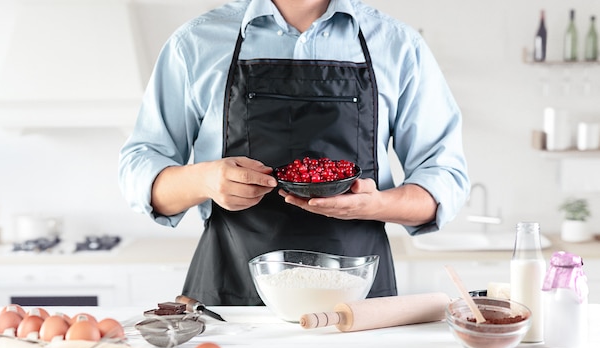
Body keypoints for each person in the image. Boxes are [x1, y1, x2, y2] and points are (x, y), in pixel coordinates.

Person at [118, 0, 470, 306]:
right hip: (232, 298)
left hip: (357, 301)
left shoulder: (398, 45)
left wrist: (375, 205)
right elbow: (139, 172)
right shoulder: (195, 42)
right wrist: (203, 180)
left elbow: (445, 180)